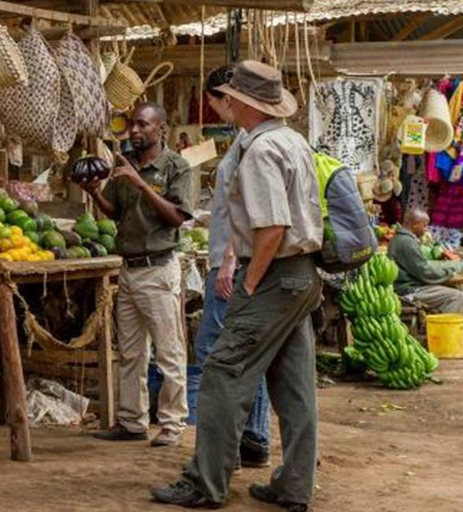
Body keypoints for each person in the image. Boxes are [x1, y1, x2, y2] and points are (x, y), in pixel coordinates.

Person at [152, 60, 323, 511]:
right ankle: (294, 485)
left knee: (222, 377)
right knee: (295, 386)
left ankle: (205, 483)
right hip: (302, 274)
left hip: (273, 273)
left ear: (242, 102)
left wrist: (248, 281)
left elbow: (272, 228)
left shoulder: (262, 151)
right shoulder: (293, 141)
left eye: (228, 97)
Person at [81, 102, 193, 447]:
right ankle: (132, 421)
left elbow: (178, 217)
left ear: (161, 129)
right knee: (131, 353)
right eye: (133, 125)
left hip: (159, 270)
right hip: (128, 270)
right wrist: (96, 192)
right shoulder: (125, 167)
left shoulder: (176, 167)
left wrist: (142, 185)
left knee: (168, 351)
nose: (134, 131)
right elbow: (116, 213)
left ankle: (173, 424)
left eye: (143, 125)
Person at [194, 65, 271, 469]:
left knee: (219, 350)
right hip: (233, 258)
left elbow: (249, 210)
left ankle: (248, 437)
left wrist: (229, 261)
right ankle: (252, 436)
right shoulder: (248, 140)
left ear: (229, 99)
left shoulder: (252, 144)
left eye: (214, 101)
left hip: (233, 262)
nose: (213, 109)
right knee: (240, 351)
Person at [388, 208, 463, 315]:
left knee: (449, 290)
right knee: (455, 296)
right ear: (415, 224)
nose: (426, 229)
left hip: (407, 286)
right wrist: (450, 272)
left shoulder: (399, 239)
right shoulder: (406, 242)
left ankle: (435, 324)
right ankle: (444, 330)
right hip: (407, 290)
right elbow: (424, 271)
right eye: (424, 225)